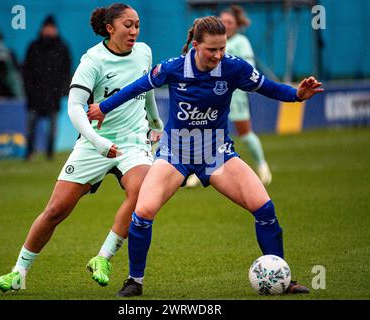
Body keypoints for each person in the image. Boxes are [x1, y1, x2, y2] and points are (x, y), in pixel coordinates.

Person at [87, 16, 323, 297]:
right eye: (212, 49)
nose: (218, 55)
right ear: (196, 45)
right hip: (176, 153)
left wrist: (296, 95)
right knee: (143, 212)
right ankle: (134, 281)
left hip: (216, 152)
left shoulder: (234, 68)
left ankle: (283, 279)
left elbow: (268, 87)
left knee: (264, 208)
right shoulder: (173, 67)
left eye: (222, 48)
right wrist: (103, 107)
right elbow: (137, 87)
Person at [0, 3, 163, 293]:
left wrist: (156, 122)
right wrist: (98, 142)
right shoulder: (92, 61)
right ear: (110, 29)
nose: (134, 31)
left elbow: (145, 90)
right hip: (94, 142)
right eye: (128, 25)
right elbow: (74, 108)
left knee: (141, 196)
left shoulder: (144, 52)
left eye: (137, 25)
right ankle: (19, 272)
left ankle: (103, 258)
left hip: (134, 142)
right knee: (56, 210)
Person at [186, 5, 271, 188]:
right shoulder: (209, 42)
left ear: (237, 25)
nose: (226, 25)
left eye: (230, 22)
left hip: (235, 95)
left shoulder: (241, 42)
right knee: (207, 133)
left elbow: (249, 69)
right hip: (211, 95)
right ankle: (200, 172)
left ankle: (262, 165)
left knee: (245, 133)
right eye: (223, 21)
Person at [23, 15, 71, 160]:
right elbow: (26, 71)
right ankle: (29, 152)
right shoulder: (33, 46)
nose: (49, 31)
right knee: (31, 126)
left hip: (53, 95)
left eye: (52, 28)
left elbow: (67, 71)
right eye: (47, 28)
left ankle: (50, 154)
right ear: (42, 29)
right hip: (35, 95)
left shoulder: (62, 47)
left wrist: (62, 91)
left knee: (52, 129)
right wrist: (29, 90)